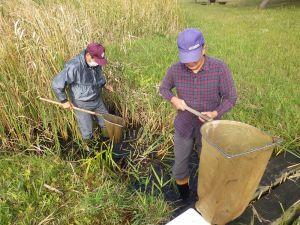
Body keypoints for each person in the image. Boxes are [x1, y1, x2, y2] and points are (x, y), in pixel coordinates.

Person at [159, 28, 237, 201]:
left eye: (194, 58)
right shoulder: (175, 70)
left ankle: (207, 197)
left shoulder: (219, 68)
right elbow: (163, 89)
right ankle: (185, 199)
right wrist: (173, 99)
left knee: (209, 166)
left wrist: (215, 112)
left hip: (209, 128)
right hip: (184, 126)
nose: (191, 63)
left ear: (203, 49)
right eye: (186, 59)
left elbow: (231, 98)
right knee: (179, 168)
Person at [52, 43, 114, 142]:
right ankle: (90, 150)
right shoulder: (74, 66)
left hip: (97, 99)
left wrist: (104, 85)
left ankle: (107, 144)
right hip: (81, 103)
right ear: (88, 55)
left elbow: (98, 76)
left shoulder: (96, 63)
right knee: (87, 130)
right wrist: (64, 101)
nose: (98, 64)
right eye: (97, 61)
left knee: (106, 123)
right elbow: (56, 84)